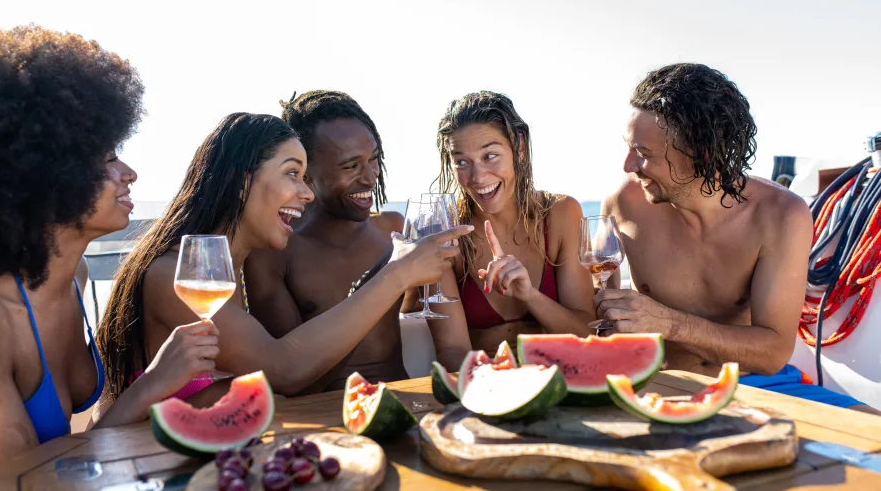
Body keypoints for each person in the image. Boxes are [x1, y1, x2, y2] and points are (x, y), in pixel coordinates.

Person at [97, 112, 472, 407]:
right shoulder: (174, 276)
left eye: (306, 178)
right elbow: (284, 370)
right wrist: (398, 273)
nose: (307, 194)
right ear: (241, 182)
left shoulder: (234, 269)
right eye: (293, 174)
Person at [0, 25, 218, 471]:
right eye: (108, 159)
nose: (128, 173)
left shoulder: (78, 277)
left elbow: (80, 447)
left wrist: (154, 383)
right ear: (45, 171)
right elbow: (28, 482)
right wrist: (150, 387)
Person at [596, 62, 877, 413]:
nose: (628, 166)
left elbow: (773, 353)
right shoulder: (624, 204)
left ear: (702, 154)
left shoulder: (780, 215)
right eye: (629, 147)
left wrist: (668, 323)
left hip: (758, 385)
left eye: (644, 154)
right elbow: (598, 312)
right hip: (657, 382)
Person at [246, 91, 410, 392]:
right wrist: (386, 282)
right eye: (351, 166)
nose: (370, 177)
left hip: (404, 405)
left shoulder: (395, 230)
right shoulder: (273, 252)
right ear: (305, 174)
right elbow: (292, 375)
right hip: (323, 419)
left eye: (374, 160)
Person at [425, 91, 597, 372]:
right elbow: (451, 351)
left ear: (519, 147)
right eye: (461, 161)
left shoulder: (561, 213)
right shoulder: (445, 231)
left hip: (562, 381)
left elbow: (586, 335)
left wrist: (531, 296)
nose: (477, 177)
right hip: (485, 387)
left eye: (490, 156)